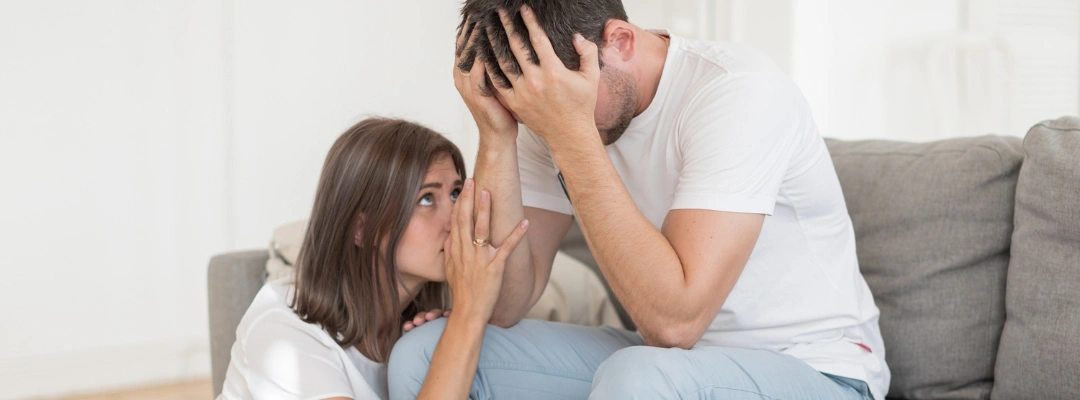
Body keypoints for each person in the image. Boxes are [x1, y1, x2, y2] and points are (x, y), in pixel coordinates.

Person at [388, 1, 890, 399]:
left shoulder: (739, 93)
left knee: (639, 378)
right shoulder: (549, 110)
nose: (546, 119)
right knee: (426, 353)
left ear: (621, 42)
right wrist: (496, 133)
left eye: (559, 101)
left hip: (818, 372)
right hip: (670, 365)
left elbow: (675, 322)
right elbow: (505, 304)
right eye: (531, 107)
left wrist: (570, 135)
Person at [219, 117, 529, 399]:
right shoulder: (283, 328)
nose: (457, 219)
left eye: (455, 194)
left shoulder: (420, 336)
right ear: (361, 229)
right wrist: (469, 314)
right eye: (426, 198)